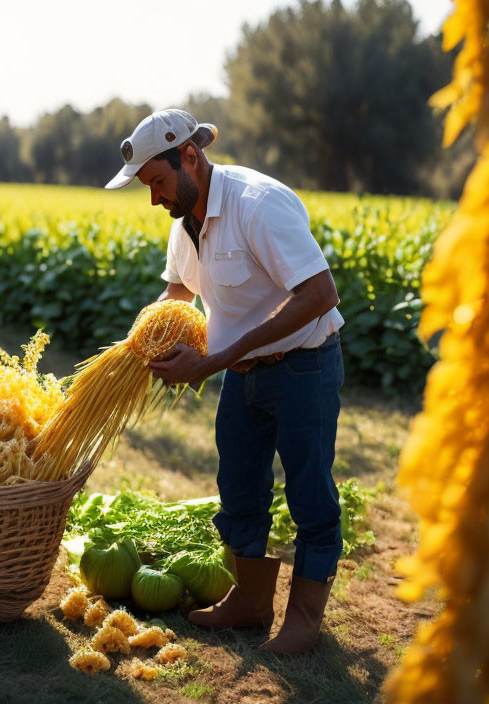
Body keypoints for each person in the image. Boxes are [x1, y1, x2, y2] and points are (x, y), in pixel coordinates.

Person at [105, 109, 345, 655]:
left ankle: (304, 621)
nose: (154, 199)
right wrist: (135, 350)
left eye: (158, 183)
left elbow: (319, 295)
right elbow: (176, 297)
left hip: (304, 366)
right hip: (241, 374)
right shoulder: (183, 222)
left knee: (310, 494)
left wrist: (213, 360)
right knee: (239, 489)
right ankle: (252, 603)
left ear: (189, 156)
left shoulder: (259, 205)